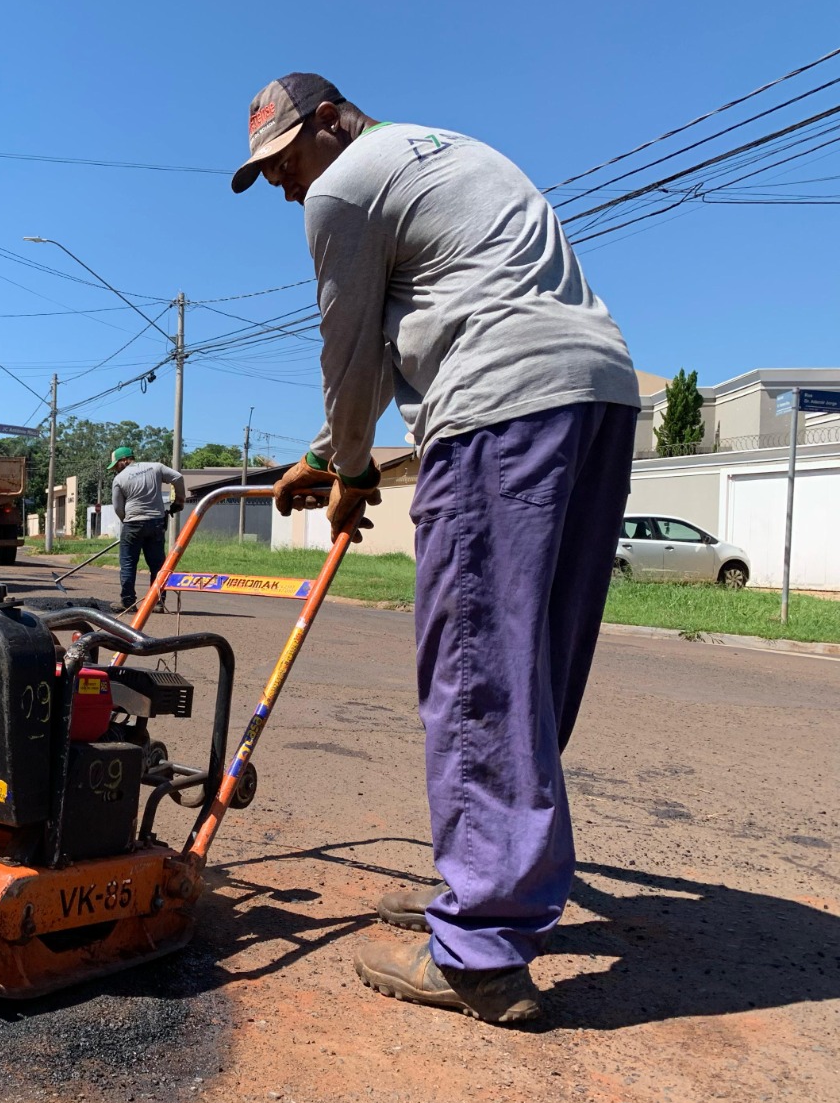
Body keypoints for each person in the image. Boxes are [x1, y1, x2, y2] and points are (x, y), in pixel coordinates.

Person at [232, 73, 640, 1023]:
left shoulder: (343, 187)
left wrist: (349, 474)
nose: (288, 188)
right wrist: (325, 456)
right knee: (530, 668)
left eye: (285, 162)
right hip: (598, 396)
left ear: (330, 123)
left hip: (498, 409)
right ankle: (491, 890)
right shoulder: (453, 151)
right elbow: (415, 325)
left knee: (477, 671)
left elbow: (350, 355)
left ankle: (481, 948)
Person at [109, 446, 184, 614]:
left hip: (133, 524)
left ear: (125, 460)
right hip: (156, 523)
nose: (115, 469)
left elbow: (117, 507)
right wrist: (179, 500)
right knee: (157, 565)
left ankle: (127, 602)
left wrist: (127, 522)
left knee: (128, 564)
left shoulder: (120, 479)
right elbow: (178, 477)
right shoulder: (155, 467)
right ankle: (157, 603)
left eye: (116, 465)